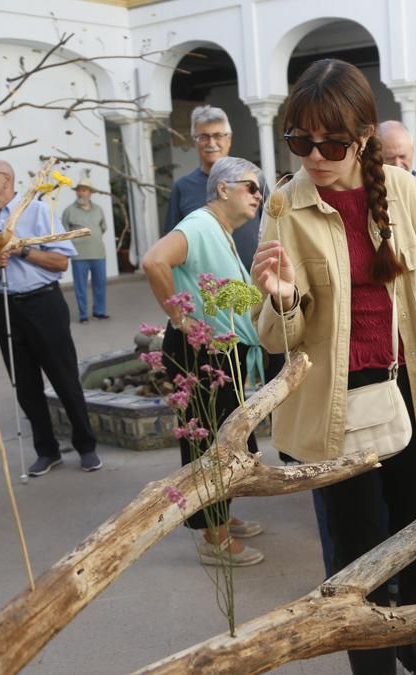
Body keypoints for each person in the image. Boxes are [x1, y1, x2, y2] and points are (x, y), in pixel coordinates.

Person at [251, 58, 416, 675]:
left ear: (364, 134)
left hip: (411, 394)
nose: (314, 155)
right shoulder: (284, 208)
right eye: (299, 140)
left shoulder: (406, 195)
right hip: (329, 407)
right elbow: (277, 338)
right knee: (353, 561)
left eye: (332, 141)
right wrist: (284, 297)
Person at [142, 156, 268, 568]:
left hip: (222, 352)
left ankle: (222, 518)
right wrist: (182, 319)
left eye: (260, 189)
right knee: (209, 445)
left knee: (226, 440)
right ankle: (213, 539)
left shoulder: (221, 231)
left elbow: (225, 296)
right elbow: (154, 261)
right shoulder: (198, 224)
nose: (259, 195)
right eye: (251, 186)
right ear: (223, 189)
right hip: (201, 351)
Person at [0, 159, 101, 476]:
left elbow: (60, 263)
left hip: (43, 301)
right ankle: (47, 450)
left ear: (7, 179)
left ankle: (86, 445)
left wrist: (21, 251)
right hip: (4, 305)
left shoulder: (39, 211)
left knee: (64, 375)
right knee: (24, 382)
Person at [164, 105, 264, 266]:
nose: (211, 143)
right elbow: (169, 246)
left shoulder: (255, 179)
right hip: (208, 286)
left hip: (255, 279)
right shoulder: (183, 187)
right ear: (194, 141)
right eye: (203, 136)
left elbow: (274, 224)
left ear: (229, 139)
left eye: (218, 135)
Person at [62, 178, 110, 323]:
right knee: (81, 287)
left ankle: (99, 312)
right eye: (79, 190)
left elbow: (103, 227)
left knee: (100, 284)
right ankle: (83, 315)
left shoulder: (98, 209)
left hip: (98, 253)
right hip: (79, 255)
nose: (81, 193)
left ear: (90, 193)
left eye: (84, 190)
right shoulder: (69, 211)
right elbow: (65, 231)